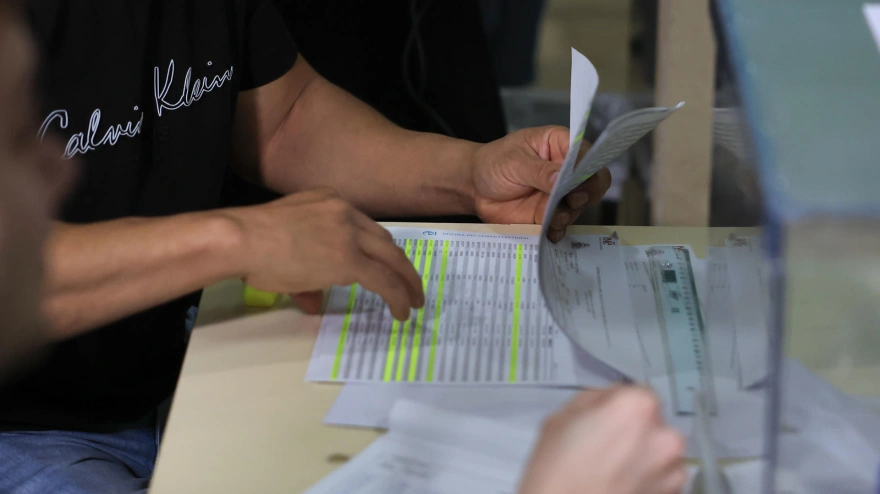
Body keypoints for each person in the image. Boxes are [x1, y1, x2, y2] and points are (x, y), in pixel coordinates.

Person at [0, 6, 686, 494]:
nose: (55, 169)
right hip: (30, 422)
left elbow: (284, 116)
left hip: (171, 361)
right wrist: (235, 238)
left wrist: (468, 174)